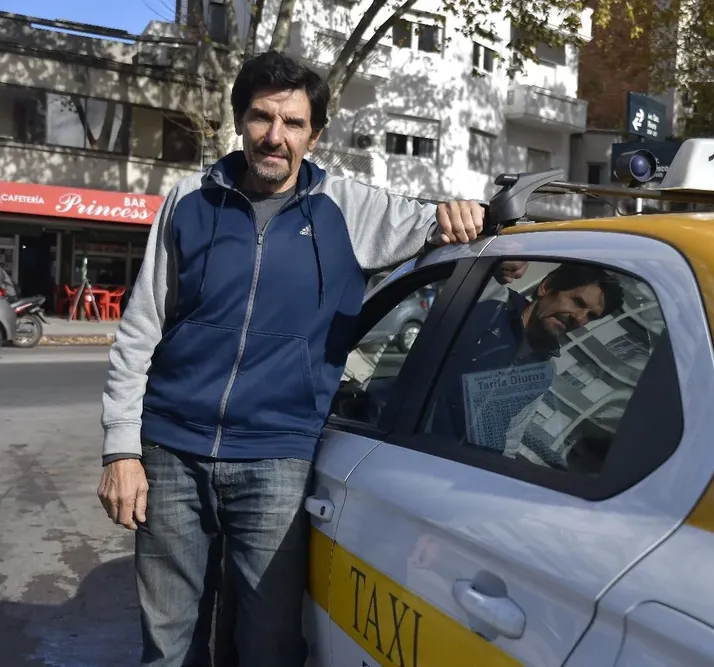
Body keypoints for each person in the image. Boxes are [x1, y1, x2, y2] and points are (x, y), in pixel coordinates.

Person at [96, 50, 484, 667]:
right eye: (261, 117)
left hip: (276, 459)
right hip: (169, 449)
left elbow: (444, 226)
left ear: (316, 133)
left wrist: (479, 222)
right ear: (239, 120)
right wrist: (122, 449)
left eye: (294, 123)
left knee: (270, 643)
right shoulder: (187, 201)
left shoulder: (350, 208)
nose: (275, 137)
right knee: (169, 641)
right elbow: (140, 329)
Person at [424, 262, 624, 457]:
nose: (580, 319)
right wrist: (497, 259)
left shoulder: (544, 371)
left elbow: (510, 442)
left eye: (591, 316)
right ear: (546, 287)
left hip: (466, 475)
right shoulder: (490, 302)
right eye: (578, 302)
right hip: (415, 452)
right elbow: (442, 263)